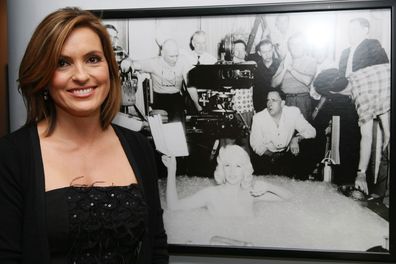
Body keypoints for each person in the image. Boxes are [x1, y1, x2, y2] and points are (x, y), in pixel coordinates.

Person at [0, 7, 168, 264]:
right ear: (43, 77)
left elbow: (155, 245)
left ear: (110, 69)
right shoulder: (11, 156)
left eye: (92, 59)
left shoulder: (138, 147)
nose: (81, 76)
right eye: (62, 63)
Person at [314, 64, 390, 196]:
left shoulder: (362, 97)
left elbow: (366, 138)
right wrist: (387, 132)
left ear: (332, 93)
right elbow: (381, 99)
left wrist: (361, 174)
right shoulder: (354, 76)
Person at [163, 144, 292, 218]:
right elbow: (174, 207)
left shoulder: (250, 193)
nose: (232, 172)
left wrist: (268, 186)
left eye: (238, 166)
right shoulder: (210, 194)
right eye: (227, 166)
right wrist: (171, 170)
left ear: (245, 171)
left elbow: (288, 198)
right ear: (221, 169)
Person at [250, 89, 316, 177]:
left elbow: (311, 131)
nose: (269, 104)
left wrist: (296, 139)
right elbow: (256, 145)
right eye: (268, 100)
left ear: (282, 103)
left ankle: (302, 180)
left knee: (308, 145)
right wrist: (272, 156)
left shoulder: (293, 112)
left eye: (274, 100)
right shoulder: (258, 118)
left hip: (287, 155)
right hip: (267, 156)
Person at [132, 39, 202, 121]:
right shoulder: (154, 62)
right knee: (176, 108)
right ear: (162, 53)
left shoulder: (183, 61)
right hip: (159, 97)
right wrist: (127, 62)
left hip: (176, 96)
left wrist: (198, 106)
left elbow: (190, 86)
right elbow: (134, 63)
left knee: (182, 106)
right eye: (171, 56)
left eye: (177, 55)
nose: (175, 59)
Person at [272, 33, 317, 121]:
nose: (295, 47)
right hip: (286, 100)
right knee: (287, 132)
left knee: (303, 132)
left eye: (298, 44)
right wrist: (285, 68)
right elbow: (273, 83)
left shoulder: (311, 61)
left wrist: (290, 68)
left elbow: (307, 80)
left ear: (304, 46)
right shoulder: (284, 62)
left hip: (302, 101)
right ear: (289, 48)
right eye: (292, 44)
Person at [250, 39, 281, 112]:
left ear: (273, 49)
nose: (267, 55)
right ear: (259, 53)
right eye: (264, 52)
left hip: (278, 106)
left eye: (269, 51)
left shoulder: (280, 65)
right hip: (261, 107)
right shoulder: (255, 68)